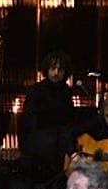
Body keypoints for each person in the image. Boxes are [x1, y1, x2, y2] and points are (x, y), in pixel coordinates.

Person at [20, 50, 82, 179]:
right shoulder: (36, 90)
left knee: (68, 135)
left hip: (60, 136)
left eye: (60, 70)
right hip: (38, 136)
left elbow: (70, 118)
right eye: (53, 68)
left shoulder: (66, 92)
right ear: (47, 69)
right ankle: (72, 156)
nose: (56, 73)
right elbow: (29, 120)